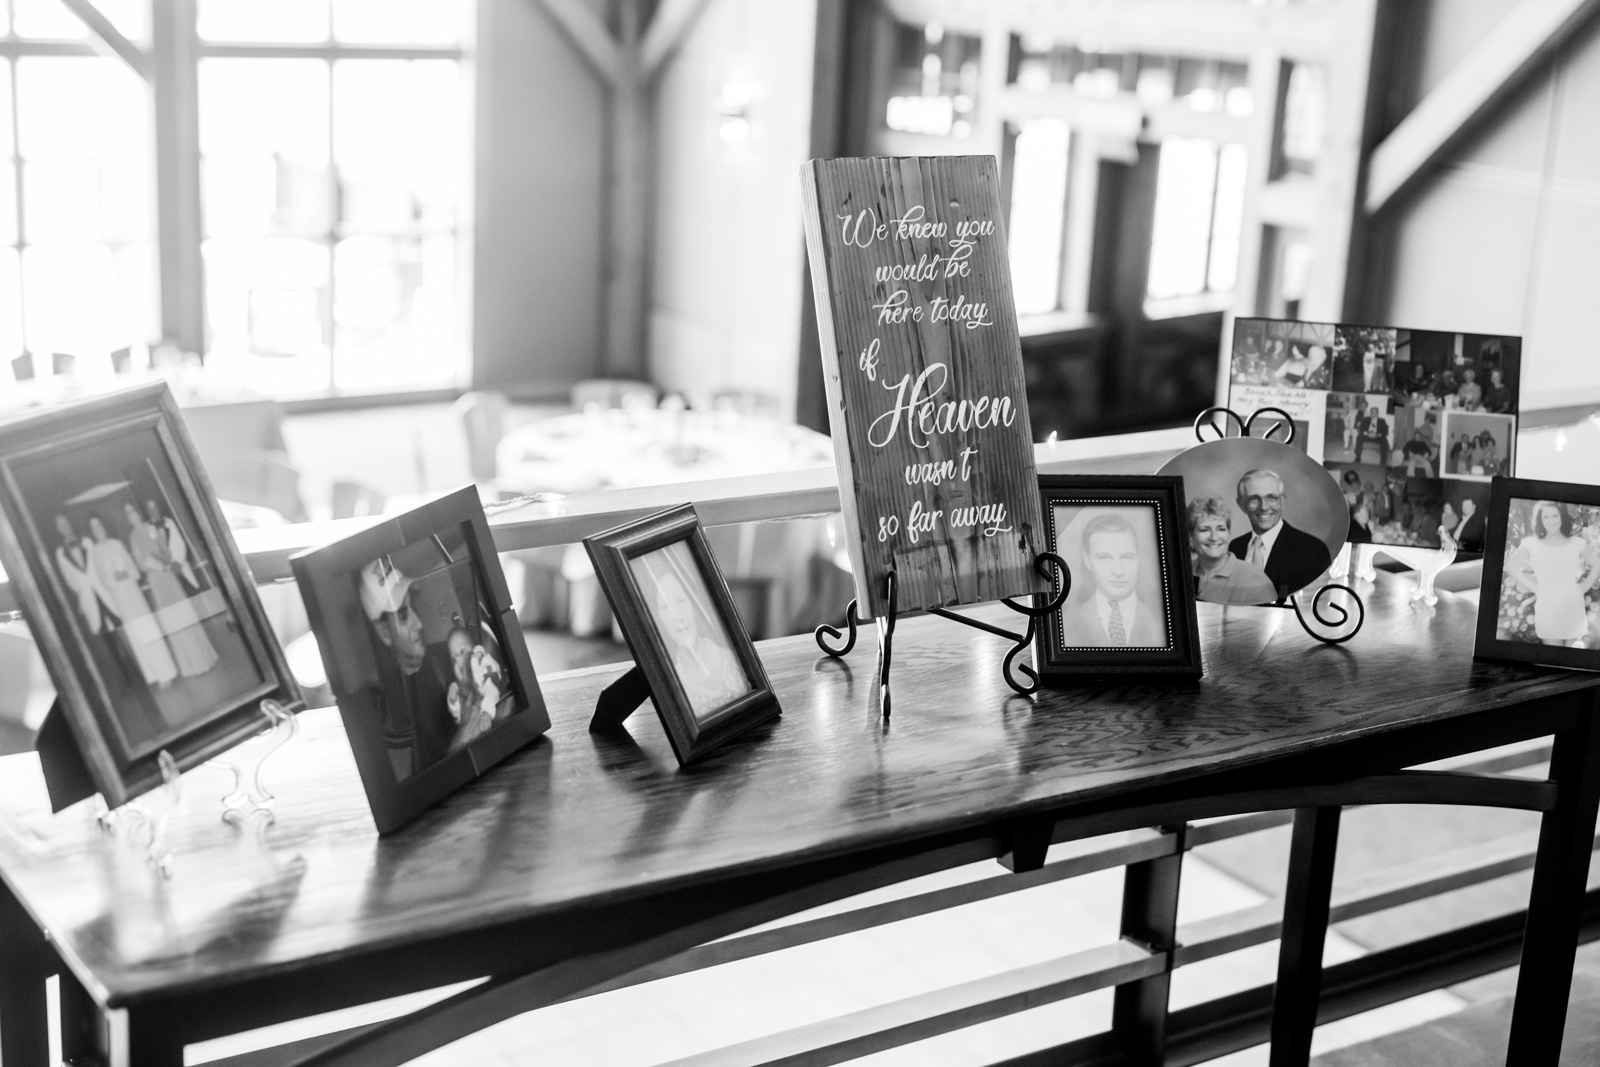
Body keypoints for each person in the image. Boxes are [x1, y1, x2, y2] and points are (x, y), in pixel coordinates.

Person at [361, 560, 456, 779]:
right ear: (384, 632)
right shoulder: (387, 710)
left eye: (415, 609)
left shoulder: (448, 657)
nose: (419, 624)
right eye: (403, 616)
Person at [126, 500, 218, 679]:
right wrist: (155, 564)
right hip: (156, 581)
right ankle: (190, 666)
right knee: (172, 621)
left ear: (138, 511)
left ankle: (204, 659)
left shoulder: (151, 526)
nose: (132, 515)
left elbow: (167, 553)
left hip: (169, 576)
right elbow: (140, 564)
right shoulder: (132, 537)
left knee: (185, 614)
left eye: (133, 511)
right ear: (127, 518)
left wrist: (160, 545)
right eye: (128, 513)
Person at [86, 514, 178, 689]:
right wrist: (113, 579)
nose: (98, 530)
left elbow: (134, 570)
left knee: (149, 630)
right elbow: (102, 580)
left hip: (133, 592)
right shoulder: (95, 552)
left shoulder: (117, 544)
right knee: (136, 635)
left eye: (99, 525)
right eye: (93, 527)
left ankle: (167, 673)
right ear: (91, 531)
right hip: (119, 598)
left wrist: (125, 574)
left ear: (104, 526)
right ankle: (153, 675)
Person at [646, 564, 747, 718]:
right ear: (659, 619)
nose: (677, 616)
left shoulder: (734, 660)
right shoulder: (673, 688)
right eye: (665, 607)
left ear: (693, 603)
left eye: (680, 600)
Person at [1061, 512, 1168, 644]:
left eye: (1127, 557)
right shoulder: (1066, 623)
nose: (1118, 571)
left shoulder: (1162, 621)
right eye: (1104, 558)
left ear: (1138, 557)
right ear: (1087, 560)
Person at [1507, 501, 1599, 647]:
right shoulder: (1532, 544)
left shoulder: (1576, 543)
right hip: (1547, 609)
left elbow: (1597, 563)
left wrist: (1585, 586)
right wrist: (1535, 587)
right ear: (1540, 520)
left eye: (1555, 516)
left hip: (1572, 606)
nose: (1551, 521)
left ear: (1562, 517)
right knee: (1553, 656)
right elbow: (1511, 566)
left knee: (1573, 655)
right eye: (1546, 517)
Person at [1229, 469, 1332, 597]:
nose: (1264, 507)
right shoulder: (1235, 547)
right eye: (1254, 499)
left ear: (1282, 501)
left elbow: (1316, 601)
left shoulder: (1313, 550)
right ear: (1241, 505)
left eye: (1271, 498)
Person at [1187, 497, 1275, 605]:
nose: (1214, 537)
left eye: (1221, 529)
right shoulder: (1181, 572)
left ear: (1229, 533)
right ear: (1191, 536)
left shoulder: (1255, 579)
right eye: (1205, 530)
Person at [445, 627, 500, 749]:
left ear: (474, 649)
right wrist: (453, 702)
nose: (459, 660)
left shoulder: (483, 664)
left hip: (489, 720)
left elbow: (492, 691)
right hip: (470, 734)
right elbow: (458, 717)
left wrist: (487, 713)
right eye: (454, 658)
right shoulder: (459, 685)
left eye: (462, 652)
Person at [146, 498, 200, 593]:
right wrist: (168, 566)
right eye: (151, 509)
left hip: (181, 564)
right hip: (168, 571)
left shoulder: (169, 522)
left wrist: (178, 562)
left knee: (195, 588)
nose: (154, 511)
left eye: (155, 508)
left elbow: (180, 542)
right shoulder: (150, 529)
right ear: (148, 512)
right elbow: (154, 552)